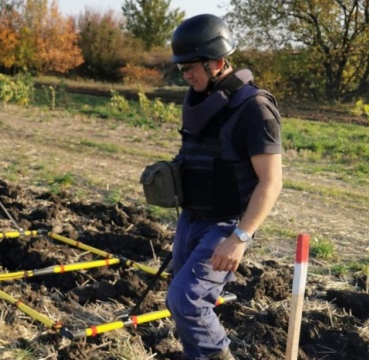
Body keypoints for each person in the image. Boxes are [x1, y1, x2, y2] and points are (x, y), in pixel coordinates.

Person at [165, 14, 283, 360]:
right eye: (182, 68)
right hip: (191, 219)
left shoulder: (254, 108)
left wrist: (239, 239)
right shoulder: (201, 100)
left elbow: (271, 182)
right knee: (180, 302)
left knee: (186, 300)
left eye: (192, 67)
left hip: (226, 225)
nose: (187, 75)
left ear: (217, 61)